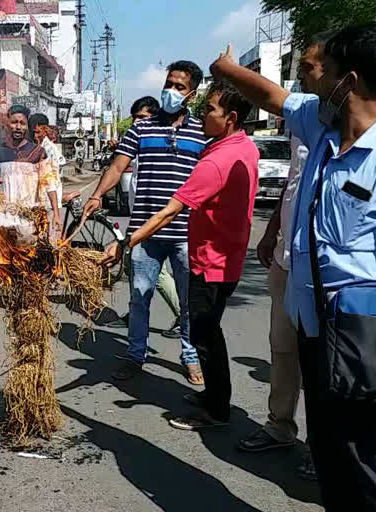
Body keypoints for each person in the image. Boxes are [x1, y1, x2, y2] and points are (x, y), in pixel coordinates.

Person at [211, 24, 376, 510]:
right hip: (316, 330)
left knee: (372, 471)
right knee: (332, 462)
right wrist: (226, 69)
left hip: (370, 343)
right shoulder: (320, 121)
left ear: (347, 82)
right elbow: (272, 96)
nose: (308, 82)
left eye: (319, 71)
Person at [104, 80, 258, 429]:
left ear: (230, 117)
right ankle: (209, 396)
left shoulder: (216, 160)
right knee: (203, 329)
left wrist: (125, 242)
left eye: (211, 110)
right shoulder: (244, 147)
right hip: (225, 254)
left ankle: (216, 410)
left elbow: (168, 212)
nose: (204, 115)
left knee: (205, 335)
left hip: (211, 259)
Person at [237, 34, 331, 482]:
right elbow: (295, 184)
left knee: (323, 364)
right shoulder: (306, 123)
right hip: (286, 260)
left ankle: (324, 446)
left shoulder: (355, 128)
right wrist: (273, 232)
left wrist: (228, 68)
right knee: (282, 350)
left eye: (311, 67)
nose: (302, 77)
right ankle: (279, 427)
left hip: (326, 273)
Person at [83, 61, 207, 385]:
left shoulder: (202, 133)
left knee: (188, 301)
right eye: (169, 83)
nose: (171, 91)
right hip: (143, 234)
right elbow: (117, 165)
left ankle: (190, 355)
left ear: (191, 93)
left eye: (180, 87)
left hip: (185, 233)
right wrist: (97, 194)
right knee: (139, 297)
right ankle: (136, 354)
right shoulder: (142, 128)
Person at [107, 97, 182, 338]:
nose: (137, 123)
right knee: (135, 269)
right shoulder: (138, 143)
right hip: (139, 219)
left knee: (156, 274)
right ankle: (135, 313)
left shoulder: (160, 143)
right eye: (135, 118)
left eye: (142, 118)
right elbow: (119, 167)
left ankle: (181, 314)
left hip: (156, 222)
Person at [0, 105, 61, 235]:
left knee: (31, 254)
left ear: (27, 127)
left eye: (22, 123)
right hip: (3, 220)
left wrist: (56, 214)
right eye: (14, 122)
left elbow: (50, 184)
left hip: (30, 222)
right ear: (6, 124)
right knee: (0, 254)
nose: (18, 127)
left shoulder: (38, 152)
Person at [30, 113, 67, 210]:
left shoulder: (48, 148)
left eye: (38, 132)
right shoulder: (37, 146)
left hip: (48, 195)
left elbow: (51, 175)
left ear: (45, 130)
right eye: (33, 132)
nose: (35, 136)